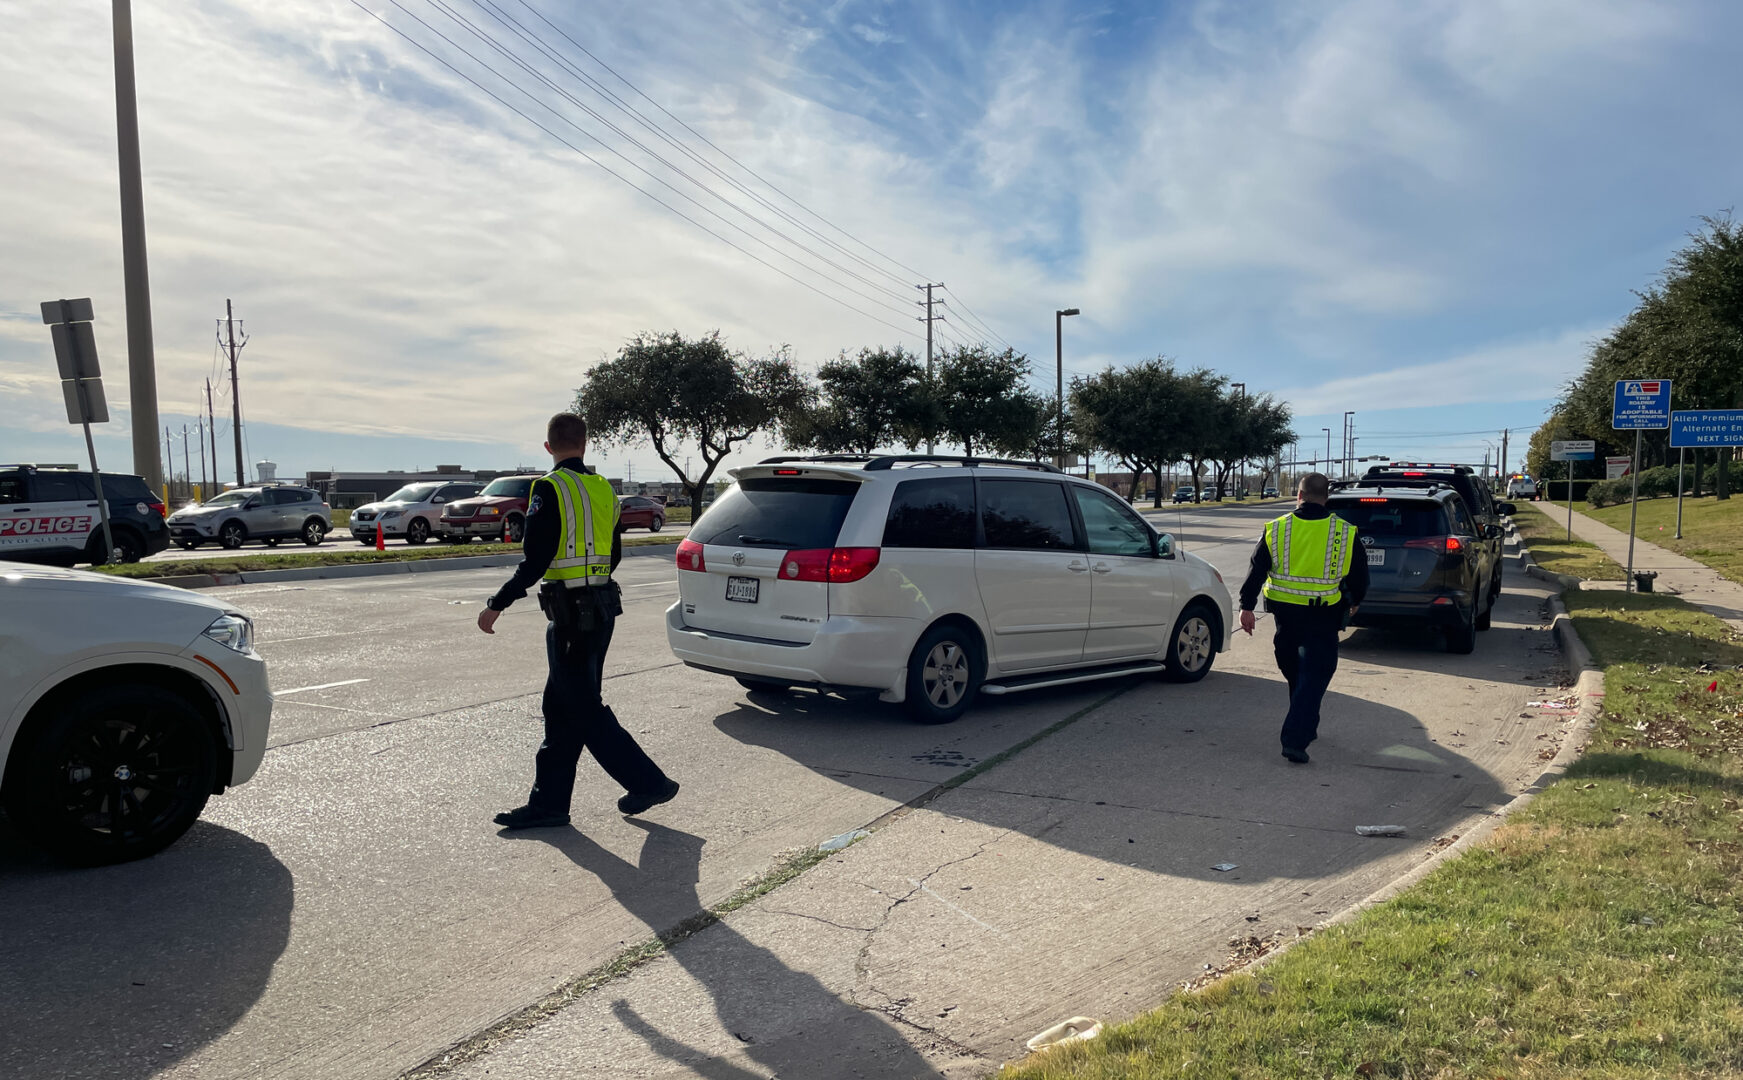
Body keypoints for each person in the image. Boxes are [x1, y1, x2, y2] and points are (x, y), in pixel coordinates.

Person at [477, 412, 679, 828]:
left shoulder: (548, 488)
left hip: (571, 615)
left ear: (548, 447)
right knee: (559, 706)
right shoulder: (604, 489)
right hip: (602, 610)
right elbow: (615, 553)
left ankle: (649, 782)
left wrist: (498, 602)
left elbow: (535, 560)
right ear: (585, 445)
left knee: (583, 707)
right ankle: (549, 804)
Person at [1236, 473, 1368, 764]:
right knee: (1314, 674)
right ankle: (1296, 739)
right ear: (1326, 498)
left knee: (1295, 668)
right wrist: (1355, 601)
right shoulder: (1345, 532)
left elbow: (1256, 568)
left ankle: (1303, 722)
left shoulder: (1276, 528)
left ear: (1299, 495)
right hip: (1323, 614)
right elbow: (1359, 574)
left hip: (1285, 614)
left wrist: (1246, 606)